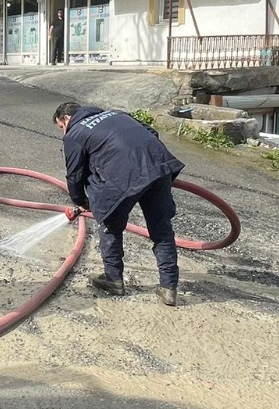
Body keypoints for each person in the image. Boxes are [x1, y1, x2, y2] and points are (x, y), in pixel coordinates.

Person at [54, 101, 184, 306]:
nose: (63, 132)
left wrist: (82, 201)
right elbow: (151, 133)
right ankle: (169, 288)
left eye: (61, 127)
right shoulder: (117, 114)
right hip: (158, 166)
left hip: (123, 176)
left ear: (67, 118)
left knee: (110, 225)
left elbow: (74, 175)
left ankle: (113, 280)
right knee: (162, 230)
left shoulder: (75, 132)